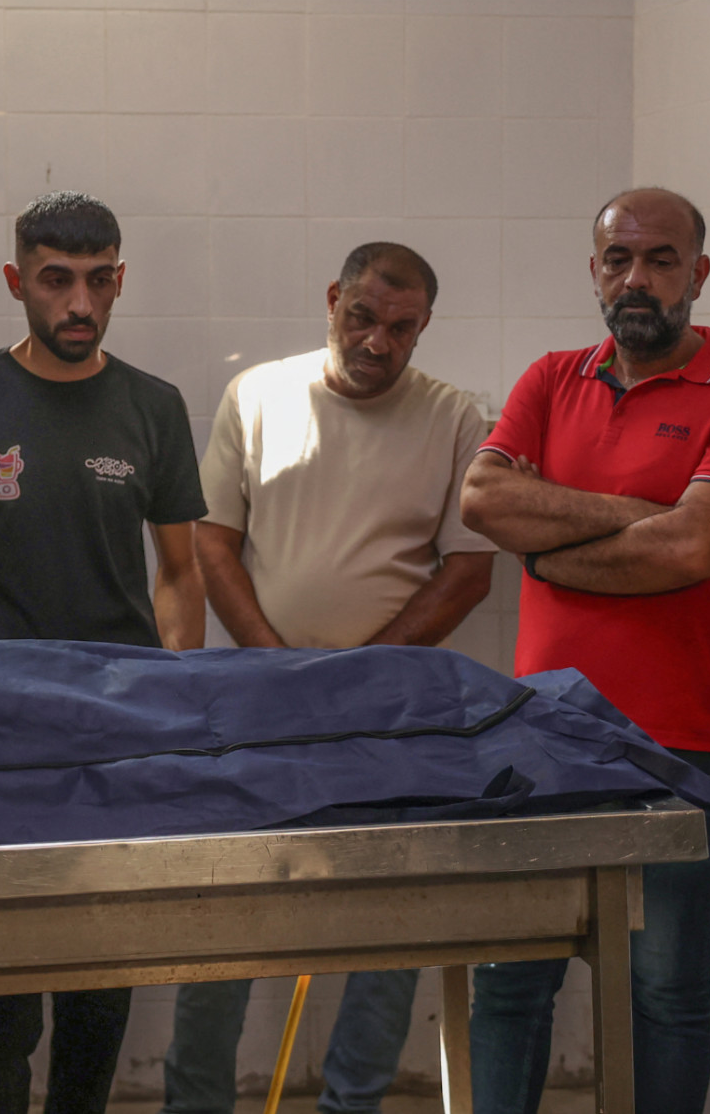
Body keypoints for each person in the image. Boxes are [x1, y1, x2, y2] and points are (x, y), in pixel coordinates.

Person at [458, 188, 710, 1114]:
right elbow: (484, 501)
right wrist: (642, 518)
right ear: (596, 271)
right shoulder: (550, 377)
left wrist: (550, 544)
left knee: (666, 988)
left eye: (660, 259)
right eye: (619, 259)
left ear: (699, 271)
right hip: (546, 738)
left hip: (686, 744)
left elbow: (694, 550)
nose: (637, 278)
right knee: (512, 980)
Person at [0, 190, 207, 1114]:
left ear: (120, 281)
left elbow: (181, 571)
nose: (80, 305)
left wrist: (177, 701)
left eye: (99, 282)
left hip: (120, 737)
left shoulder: (154, 406)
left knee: (101, 987)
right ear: (19, 281)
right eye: (57, 281)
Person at [161, 242, 496, 1114]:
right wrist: (274, 658)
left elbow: (468, 570)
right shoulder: (259, 393)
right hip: (257, 700)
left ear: (423, 328)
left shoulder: (457, 417)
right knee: (222, 925)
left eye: (400, 327)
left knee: (390, 931)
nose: (377, 341)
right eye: (362, 316)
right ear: (331, 302)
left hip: (390, 709)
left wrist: (368, 672)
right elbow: (212, 541)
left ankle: (355, 1102)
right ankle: (194, 1103)